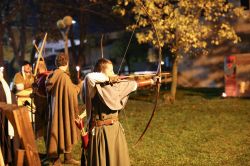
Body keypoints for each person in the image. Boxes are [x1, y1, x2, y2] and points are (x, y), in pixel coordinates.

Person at [82, 58, 157, 166]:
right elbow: (89, 77)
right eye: (111, 71)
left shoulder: (113, 87)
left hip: (115, 130)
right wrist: (108, 77)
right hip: (101, 133)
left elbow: (134, 85)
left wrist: (151, 81)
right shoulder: (93, 87)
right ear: (101, 72)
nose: (114, 73)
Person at [45, 53, 82, 165]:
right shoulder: (63, 76)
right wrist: (80, 85)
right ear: (66, 63)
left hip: (56, 109)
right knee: (61, 129)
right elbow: (73, 92)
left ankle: (67, 157)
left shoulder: (52, 74)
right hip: (63, 110)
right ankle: (55, 160)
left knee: (60, 129)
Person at [0, 67, 19, 165]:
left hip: (6, 116)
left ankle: (7, 160)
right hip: (3, 116)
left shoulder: (4, 84)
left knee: (7, 139)